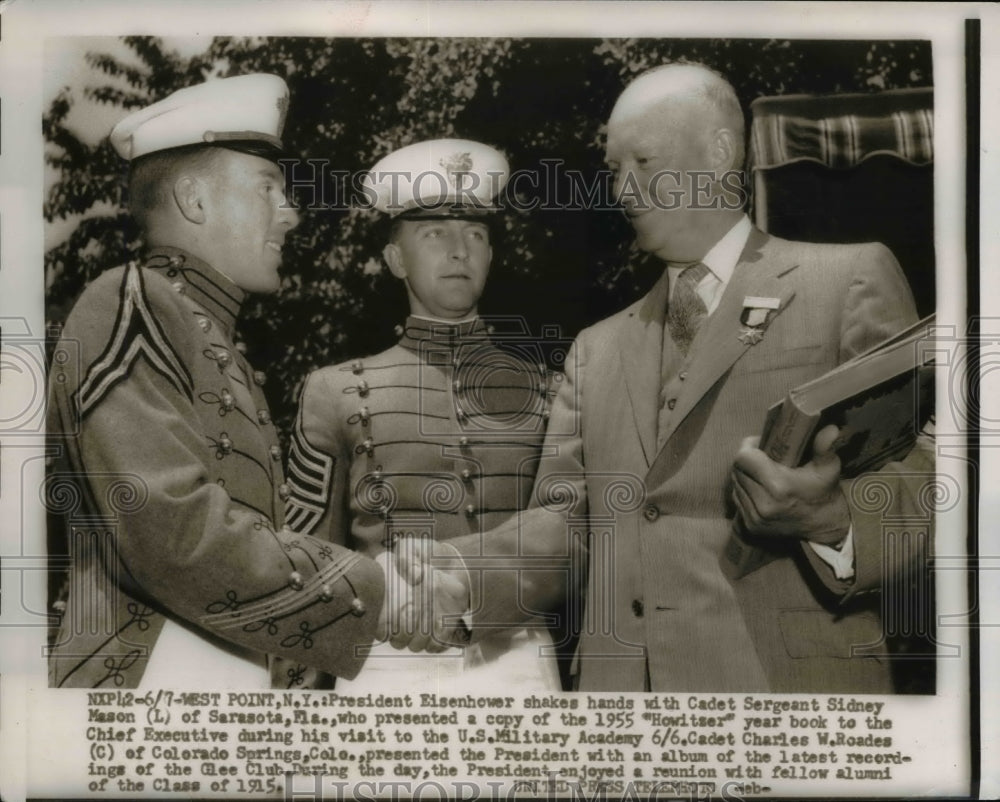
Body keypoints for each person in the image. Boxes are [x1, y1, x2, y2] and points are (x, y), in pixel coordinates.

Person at [397, 63, 935, 693]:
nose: (623, 189)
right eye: (613, 170)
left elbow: (922, 486)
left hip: (787, 704)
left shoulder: (847, 280)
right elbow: (566, 522)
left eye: (644, 162)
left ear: (719, 153)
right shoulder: (596, 348)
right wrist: (464, 573)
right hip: (624, 724)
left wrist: (831, 519)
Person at [46, 74, 395, 689]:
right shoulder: (130, 301)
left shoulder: (206, 333)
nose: (291, 214)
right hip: (150, 689)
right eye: (269, 190)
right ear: (195, 200)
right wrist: (375, 588)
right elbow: (172, 533)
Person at [284, 138, 561, 692]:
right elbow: (310, 561)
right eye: (434, 233)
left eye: (476, 234)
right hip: (383, 659)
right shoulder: (334, 390)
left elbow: (573, 536)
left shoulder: (551, 391)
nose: (460, 250)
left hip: (515, 659)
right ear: (394, 259)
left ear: (491, 255)